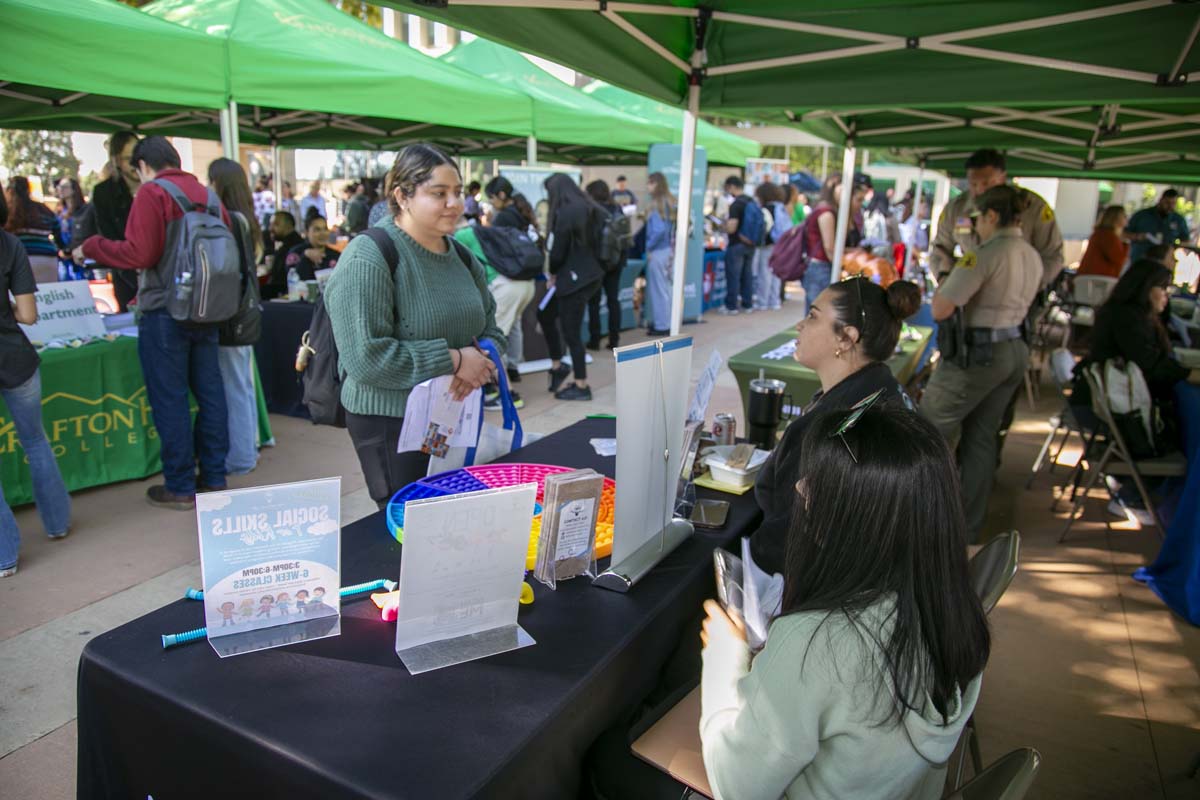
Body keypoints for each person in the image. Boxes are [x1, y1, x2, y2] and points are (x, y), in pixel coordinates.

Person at [698, 404, 989, 800]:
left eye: (816, 482)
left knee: (617, 754)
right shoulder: (955, 613)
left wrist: (722, 660)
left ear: (858, 520)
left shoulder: (815, 643)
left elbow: (734, 785)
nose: (800, 488)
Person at [323, 144, 504, 508]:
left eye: (458, 193)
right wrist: (454, 360)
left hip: (449, 416)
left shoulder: (463, 256)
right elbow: (365, 357)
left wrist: (480, 358)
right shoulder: (369, 255)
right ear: (402, 196)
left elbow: (491, 329)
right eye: (439, 194)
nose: (454, 203)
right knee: (406, 524)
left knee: (447, 516)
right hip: (391, 423)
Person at [77, 136, 231, 510]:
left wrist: (94, 246)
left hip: (165, 310)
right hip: (209, 309)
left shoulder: (152, 194)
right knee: (211, 394)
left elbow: (139, 253)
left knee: (170, 400)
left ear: (143, 165)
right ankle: (214, 476)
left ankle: (179, 485)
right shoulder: (209, 196)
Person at [750, 277, 922, 576]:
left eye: (813, 316)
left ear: (846, 338)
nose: (800, 325)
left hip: (837, 595)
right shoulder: (884, 392)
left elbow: (779, 548)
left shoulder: (830, 429)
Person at [920, 185, 1042, 542]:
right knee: (982, 439)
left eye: (978, 219)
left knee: (926, 432)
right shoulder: (1031, 254)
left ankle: (920, 522)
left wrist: (945, 282)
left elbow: (942, 308)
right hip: (1014, 348)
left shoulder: (983, 255)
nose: (975, 227)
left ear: (991, 216)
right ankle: (968, 528)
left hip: (978, 355)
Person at [0, 183, 72, 577]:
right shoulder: (11, 245)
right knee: (35, 440)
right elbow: (28, 315)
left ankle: (4, 556)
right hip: (15, 357)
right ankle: (57, 524)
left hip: (14, 357)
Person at [929, 148, 1063, 288]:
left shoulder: (1033, 209)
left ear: (1003, 178)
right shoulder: (957, 209)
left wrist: (1027, 288)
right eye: (973, 184)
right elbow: (939, 250)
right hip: (970, 295)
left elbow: (1053, 256)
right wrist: (947, 281)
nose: (980, 191)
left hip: (1020, 296)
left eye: (986, 184)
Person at [207, 157, 263, 477]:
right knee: (241, 383)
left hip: (233, 314)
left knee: (235, 386)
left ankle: (241, 455)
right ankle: (247, 447)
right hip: (246, 313)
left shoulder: (231, 221)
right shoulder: (246, 220)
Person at [538, 174, 604, 401]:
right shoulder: (589, 206)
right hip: (589, 275)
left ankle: (581, 384)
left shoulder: (566, 212)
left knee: (571, 333)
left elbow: (558, 252)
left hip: (573, 279)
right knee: (545, 314)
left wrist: (553, 272)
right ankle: (558, 367)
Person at [485, 176, 540, 383]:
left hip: (509, 280)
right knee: (515, 325)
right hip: (527, 281)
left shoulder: (503, 218)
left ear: (500, 195)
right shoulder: (522, 212)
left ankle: (501, 382)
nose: (491, 203)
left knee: (498, 332)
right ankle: (513, 367)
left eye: (491, 198)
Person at [799, 173, 871, 314]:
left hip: (823, 268)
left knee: (821, 315)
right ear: (834, 188)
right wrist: (843, 268)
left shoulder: (832, 211)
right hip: (821, 269)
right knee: (819, 315)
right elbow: (830, 248)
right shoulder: (826, 212)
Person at [87, 131, 141, 311]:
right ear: (117, 160)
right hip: (126, 275)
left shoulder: (155, 187)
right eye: (128, 158)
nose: (135, 163)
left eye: (138, 156)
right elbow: (108, 237)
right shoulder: (104, 193)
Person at [584, 180, 626, 349]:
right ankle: (614, 339)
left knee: (594, 303)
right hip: (616, 262)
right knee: (613, 301)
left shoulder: (592, 211)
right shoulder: (617, 209)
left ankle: (595, 339)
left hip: (597, 263)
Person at [4, 177, 61, 284]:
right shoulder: (43, 209)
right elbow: (57, 231)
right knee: (49, 296)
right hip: (47, 258)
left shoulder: (8, 211)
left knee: (20, 298)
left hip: (19, 260)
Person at [641, 172, 675, 336]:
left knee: (659, 289)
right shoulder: (669, 202)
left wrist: (648, 247)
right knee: (665, 289)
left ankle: (662, 325)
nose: (648, 186)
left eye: (650, 183)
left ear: (656, 184)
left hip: (658, 251)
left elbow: (659, 230)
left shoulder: (657, 204)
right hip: (668, 249)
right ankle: (665, 322)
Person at [721, 175, 756, 315]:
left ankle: (731, 306)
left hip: (736, 244)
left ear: (732, 186)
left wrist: (723, 226)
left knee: (733, 276)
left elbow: (732, 227)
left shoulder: (736, 204)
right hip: (750, 244)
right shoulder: (751, 201)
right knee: (747, 275)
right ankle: (747, 304)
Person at [1126, 189, 1191, 263]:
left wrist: (1175, 248)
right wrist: (1138, 236)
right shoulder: (1142, 215)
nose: (1170, 206)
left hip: (1164, 261)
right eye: (1167, 203)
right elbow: (1124, 233)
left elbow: (1186, 239)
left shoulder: (1178, 219)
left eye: (1173, 203)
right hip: (1140, 259)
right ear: (1160, 200)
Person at [752, 182, 786, 312]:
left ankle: (763, 301)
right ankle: (774, 300)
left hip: (768, 244)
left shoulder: (766, 209)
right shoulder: (781, 208)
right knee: (775, 274)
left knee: (764, 273)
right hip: (780, 244)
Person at [1077, 205, 1130, 278]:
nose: (1126, 218)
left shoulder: (1100, 233)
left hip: (1088, 277)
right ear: (1116, 218)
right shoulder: (1108, 236)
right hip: (1098, 280)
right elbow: (1119, 259)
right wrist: (1126, 244)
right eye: (1124, 216)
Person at [261, 211, 304, 300]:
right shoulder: (285, 245)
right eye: (270, 224)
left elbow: (279, 282)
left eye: (276, 224)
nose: (270, 228)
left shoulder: (294, 249)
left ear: (288, 226)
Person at [54, 177, 91, 280]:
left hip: (80, 256)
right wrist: (60, 250)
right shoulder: (59, 212)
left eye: (64, 187)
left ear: (74, 189)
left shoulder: (84, 210)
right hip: (64, 259)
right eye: (59, 187)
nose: (60, 189)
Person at [285, 215, 339, 282]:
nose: (323, 233)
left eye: (325, 229)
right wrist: (305, 257)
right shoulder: (295, 253)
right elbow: (293, 280)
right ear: (306, 232)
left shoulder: (336, 255)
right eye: (317, 230)